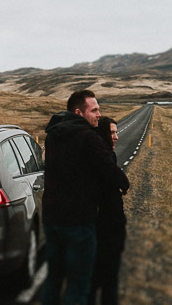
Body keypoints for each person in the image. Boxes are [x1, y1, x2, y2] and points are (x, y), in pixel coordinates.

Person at [41, 90, 129, 305]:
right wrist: (124, 183)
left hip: (52, 220)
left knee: (53, 278)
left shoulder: (53, 135)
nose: (99, 115)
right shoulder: (87, 136)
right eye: (95, 110)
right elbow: (108, 169)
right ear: (79, 112)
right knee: (79, 284)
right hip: (78, 222)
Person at [89, 116, 126, 305]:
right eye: (112, 132)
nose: (117, 137)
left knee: (96, 284)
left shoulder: (103, 156)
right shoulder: (103, 159)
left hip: (104, 232)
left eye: (116, 132)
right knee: (106, 283)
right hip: (104, 233)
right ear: (103, 133)